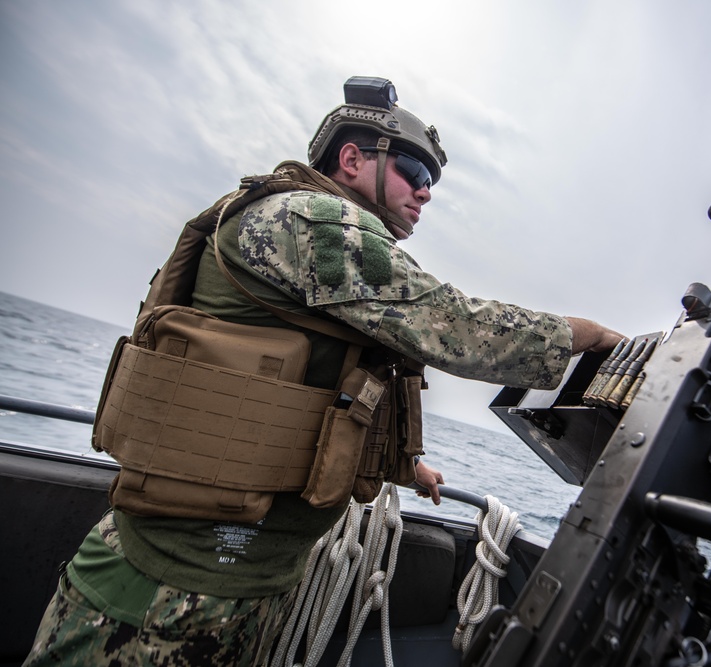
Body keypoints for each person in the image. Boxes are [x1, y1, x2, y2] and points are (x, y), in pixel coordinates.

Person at [25, 76, 622, 666]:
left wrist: (402, 464)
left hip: (228, 580)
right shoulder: (308, 221)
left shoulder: (324, 248)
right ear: (353, 159)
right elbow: (450, 324)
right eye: (413, 174)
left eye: (431, 182)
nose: (426, 193)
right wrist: (585, 337)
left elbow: (300, 387)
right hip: (167, 592)